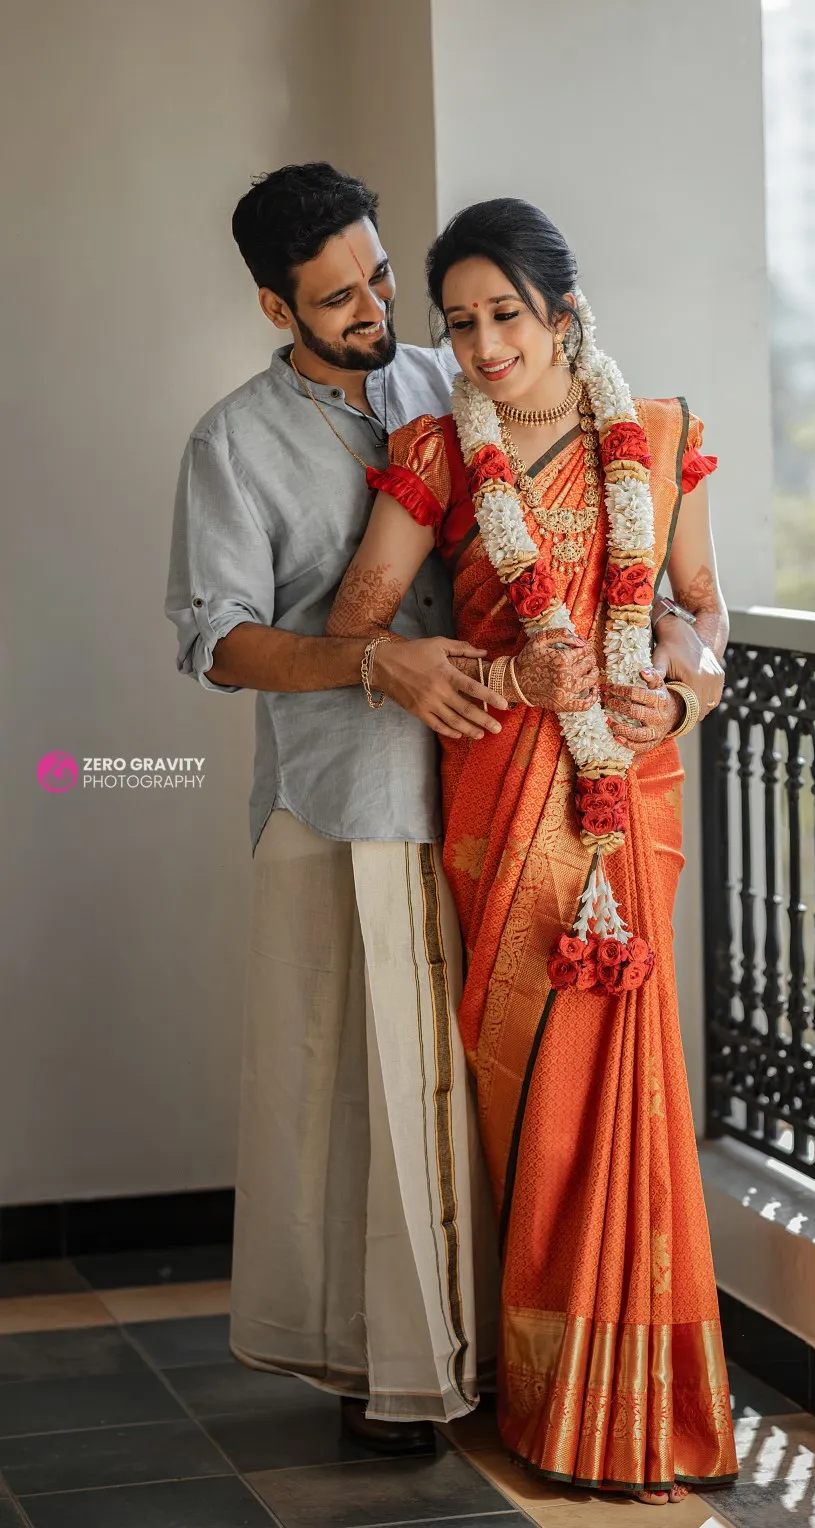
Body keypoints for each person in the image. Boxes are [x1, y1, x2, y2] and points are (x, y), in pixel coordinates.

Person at [325, 198, 738, 1502]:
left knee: (634, 1084)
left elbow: (702, 611)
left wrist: (684, 694)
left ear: (562, 311)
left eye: (506, 314)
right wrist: (505, 673)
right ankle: (556, 1398)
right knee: (541, 1097)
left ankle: (648, 1405)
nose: (485, 345)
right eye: (459, 323)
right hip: (507, 800)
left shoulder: (657, 435)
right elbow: (358, 625)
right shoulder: (441, 451)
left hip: (633, 789)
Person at [165, 163, 510, 1454]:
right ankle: (393, 1368)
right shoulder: (232, 443)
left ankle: (507, 1351)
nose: (376, 308)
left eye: (379, 276)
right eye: (337, 297)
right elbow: (217, 643)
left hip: (492, 790)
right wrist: (376, 663)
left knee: (478, 1082)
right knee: (367, 1097)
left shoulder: (454, 384)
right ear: (276, 307)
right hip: (343, 796)